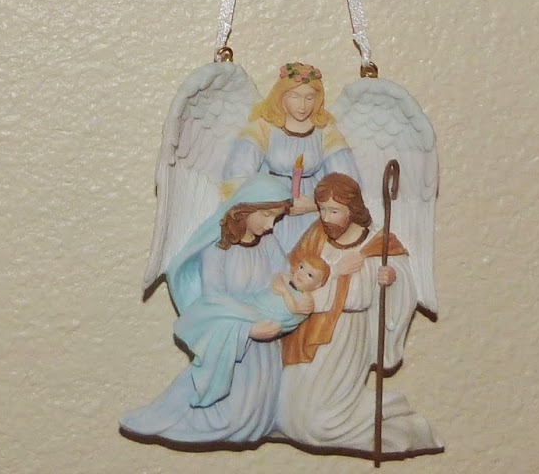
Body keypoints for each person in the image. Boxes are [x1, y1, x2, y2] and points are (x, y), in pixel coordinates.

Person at [121, 175, 294, 447]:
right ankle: (172, 418)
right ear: (245, 209)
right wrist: (249, 328)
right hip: (233, 338)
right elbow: (214, 299)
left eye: (276, 217)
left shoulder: (269, 244)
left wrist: (286, 292)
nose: (271, 224)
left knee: (257, 416)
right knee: (232, 419)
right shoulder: (218, 250)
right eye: (266, 215)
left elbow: (284, 276)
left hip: (265, 346)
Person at [277, 173, 440, 456]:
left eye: (334, 211)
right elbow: (294, 270)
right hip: (309, 331)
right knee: (289, 417)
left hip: (346, 335)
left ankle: (395, 421)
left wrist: (390, 279)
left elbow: (403, 280)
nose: (326, 217)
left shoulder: (378, 243)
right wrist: (332, 273)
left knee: (320, 423)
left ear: (352, 210)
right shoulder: (316, 234)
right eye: (323, 209)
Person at [221, 62, 360, 254]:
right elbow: (238, 173)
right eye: (295, 96)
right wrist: (265, 206)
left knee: (309, 256)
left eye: (309, 98)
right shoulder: (264, 127)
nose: (302, 106)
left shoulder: (325, 131)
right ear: (281, 95)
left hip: (313, 211)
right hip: (271, 211)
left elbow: (347, 182)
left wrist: (315, 204)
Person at [171, 257, 327, 408]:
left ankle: (211, 386)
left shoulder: (306, 301)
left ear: (318, 284)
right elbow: (275, 282)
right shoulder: (286, 278)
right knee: (218, 306)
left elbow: (293, 311)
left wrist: (285, 293)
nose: (301, 274)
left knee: (226, 321)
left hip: (262, 320)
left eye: (309, 275)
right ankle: (194, 332)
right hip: (253, 305)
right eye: (301, 267)